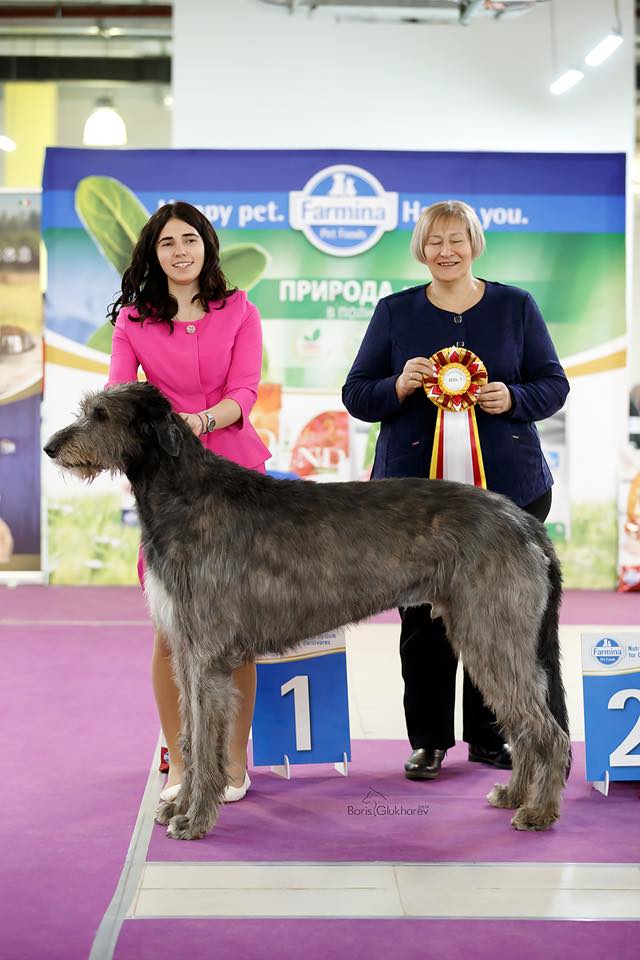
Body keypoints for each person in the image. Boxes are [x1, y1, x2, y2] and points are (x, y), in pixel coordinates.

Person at [342, 199, 569, 781]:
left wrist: (513, 398)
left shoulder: (517, 306)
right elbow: (357, 395)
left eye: (457, 239)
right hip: (413, 505)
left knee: (499, 618)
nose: (447, 251)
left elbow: (553, 383)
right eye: (435, 241)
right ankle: (429, 740)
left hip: (509, 494)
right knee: (420, 621)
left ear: (475, 244)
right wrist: (396, 385)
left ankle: (492, 738)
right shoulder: (394, 312)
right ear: (421, 248)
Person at [107, 201, 271, 803]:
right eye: (168, 242)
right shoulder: (133, 321)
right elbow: (120, 397)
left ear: (207, 247)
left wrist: (194, 423)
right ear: (154, 253)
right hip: (169, 489)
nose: (181, 251)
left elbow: (245, 391)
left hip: (236, 479)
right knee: (170, 633)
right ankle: (179, 763)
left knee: (239, 632)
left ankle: (231, 761)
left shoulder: (240, 309)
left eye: (191, 240)